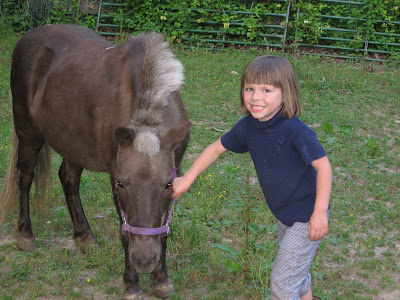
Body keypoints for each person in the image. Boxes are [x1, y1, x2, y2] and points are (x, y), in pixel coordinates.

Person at [172, 55, 332, 300]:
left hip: (307, 216)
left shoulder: (296, 131)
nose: (256, 97)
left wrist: (319, 213)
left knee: (282, 282)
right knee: (293, 270)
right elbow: (216, 148)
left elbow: (324, 168)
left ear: (285, 93)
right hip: (286, 216)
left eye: (266, 89)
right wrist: (187, 178)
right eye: (250, 89)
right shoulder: (248, 127)